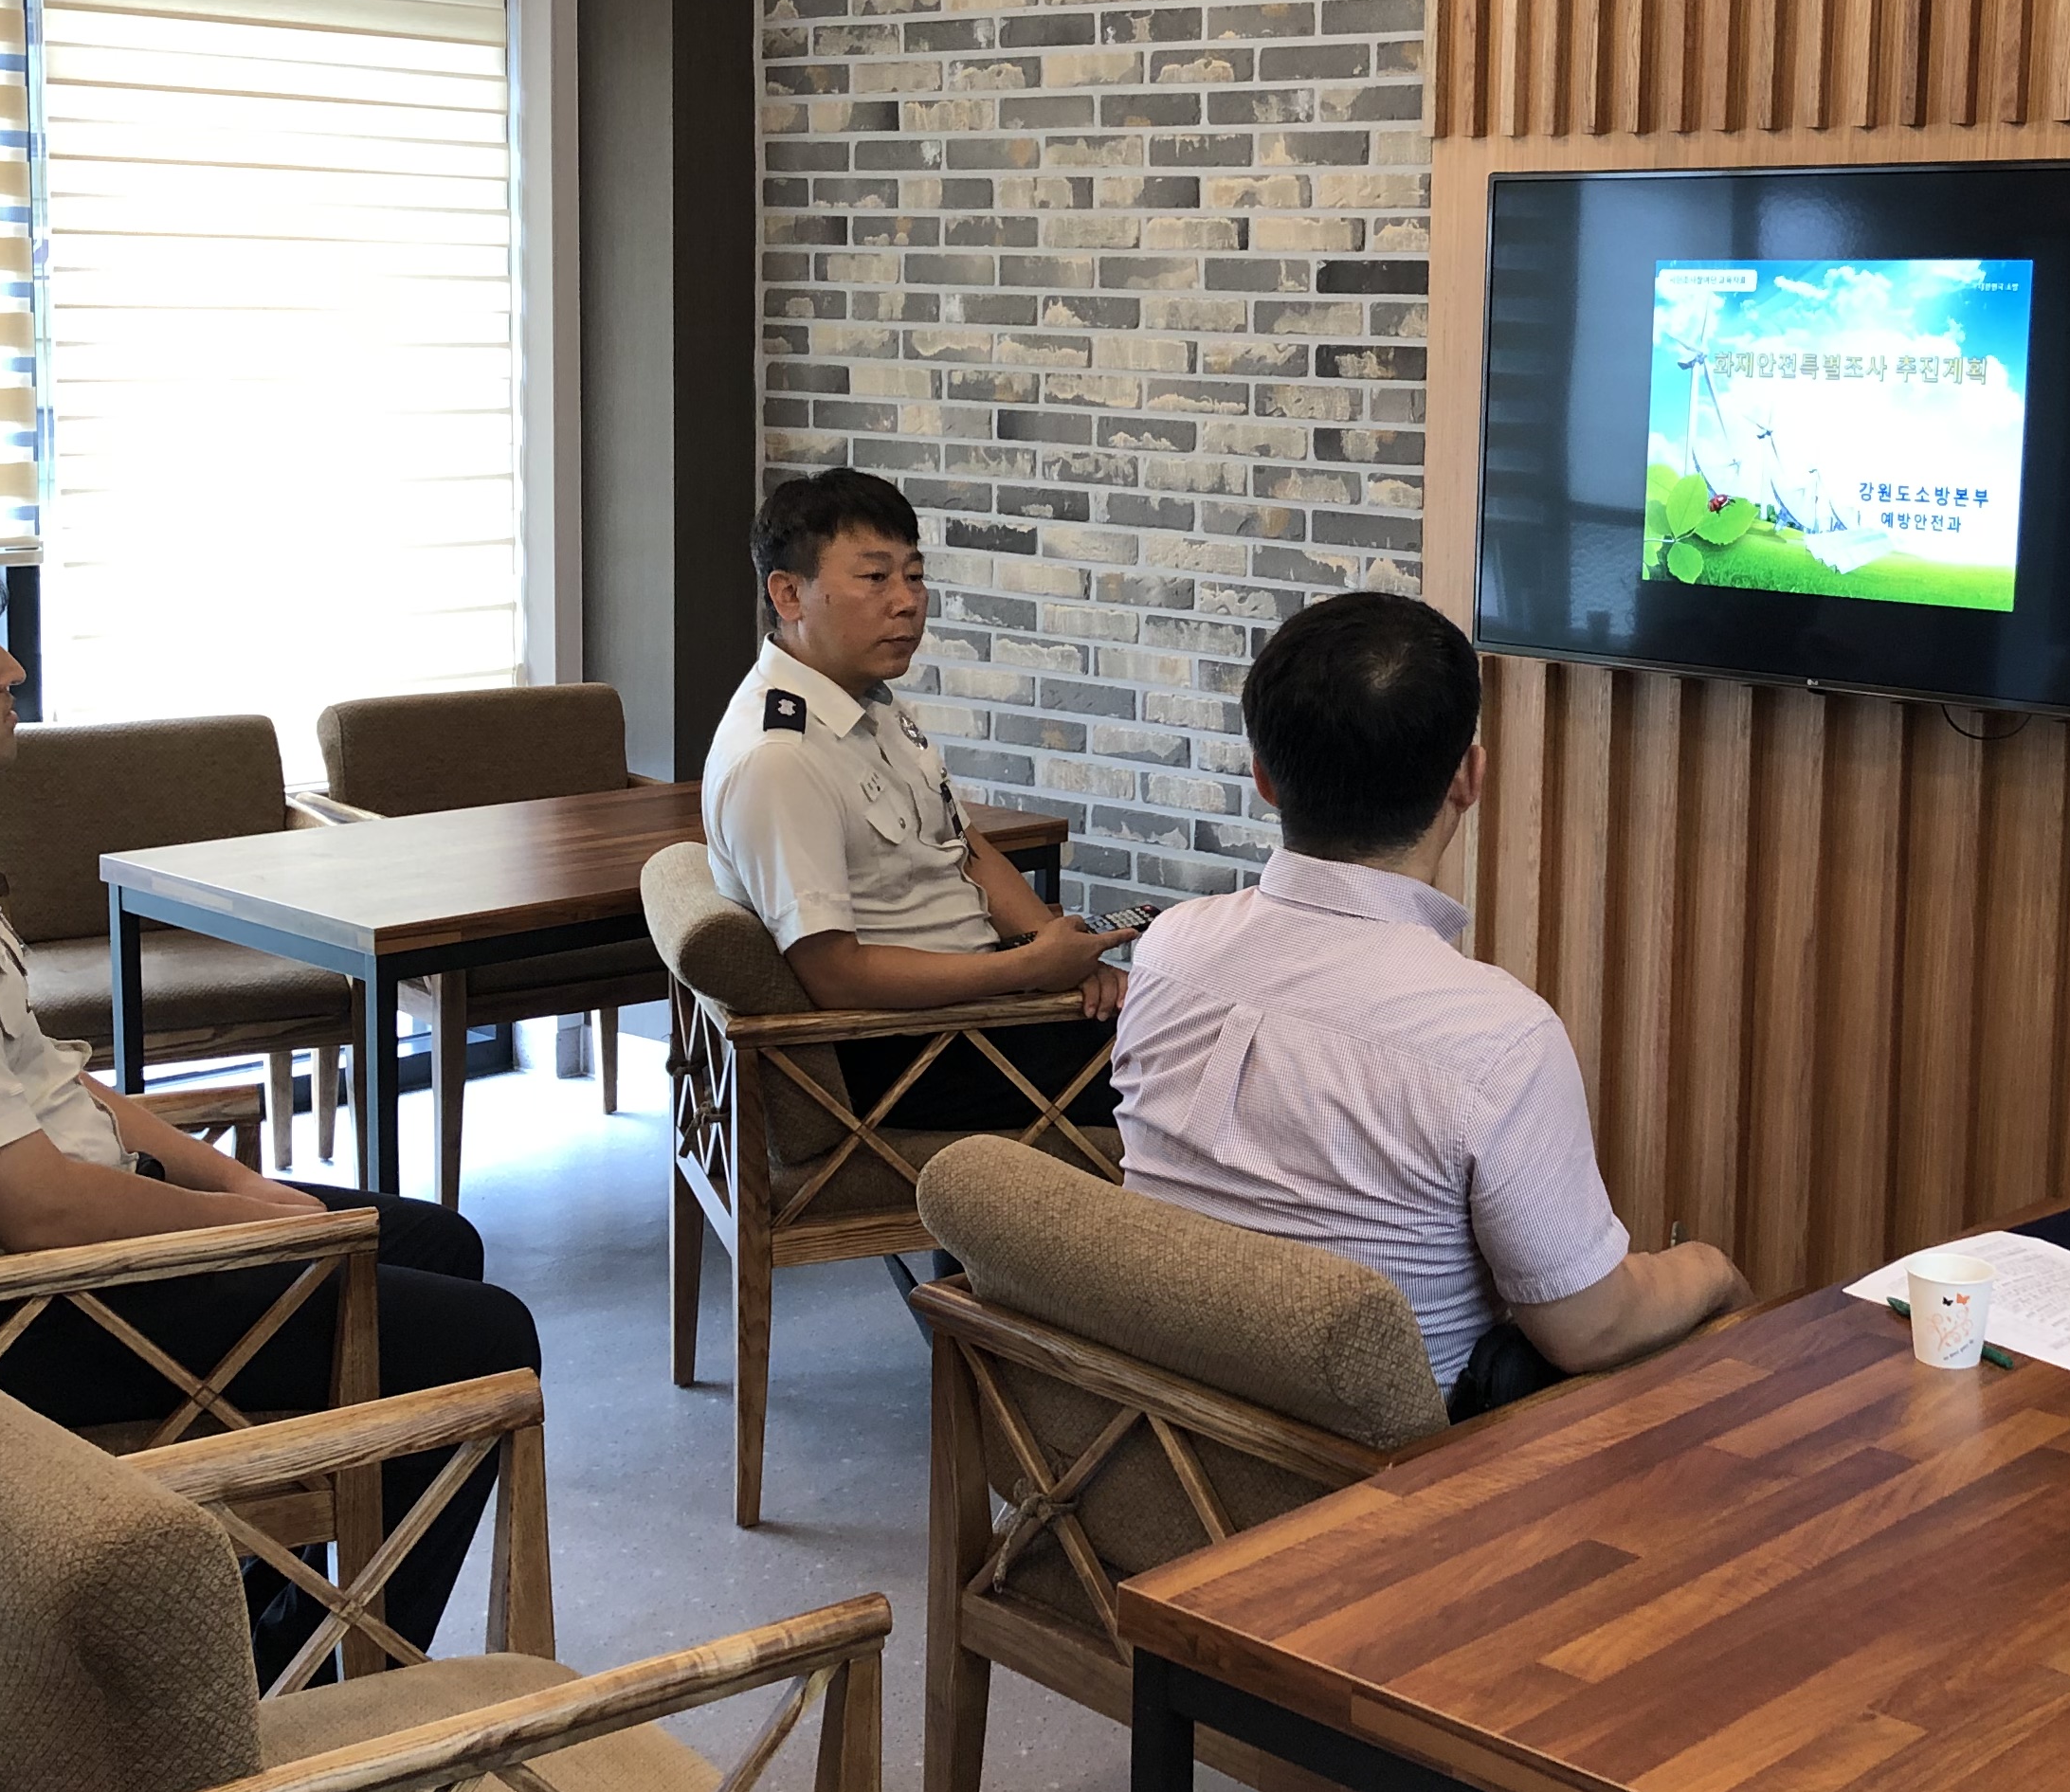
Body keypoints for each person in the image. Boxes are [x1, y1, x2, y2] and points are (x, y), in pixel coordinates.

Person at [0, 525, 538, 1665]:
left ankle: (268, 1623)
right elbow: (36, 1208)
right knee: (483, 1339)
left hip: (59, 1248)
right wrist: (250, 1227)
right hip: (3, 1315)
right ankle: (309, 1684)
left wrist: (239, 1184)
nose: (12, 669)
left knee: (438, 1243)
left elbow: (54, 1081)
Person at [1109, 588, 1749, 1416]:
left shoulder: (1168, 951)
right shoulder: (1496, 1039)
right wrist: (1709, 1269)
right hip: (1400, 1478)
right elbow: (1591, 1330)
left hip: (1156, 1434)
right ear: (1470, 778)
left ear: (1263, 776)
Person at [703, 469, 1123, 1131]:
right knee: (1198, 1066)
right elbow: (836, 976)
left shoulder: (870, 703)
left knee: (1195, 1018)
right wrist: (1028, 968)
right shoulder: (779, 758)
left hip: (984, 1006)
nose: (907, 602)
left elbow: (968, 850)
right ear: (788, 594)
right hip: (909, 1052)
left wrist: (1056, 951)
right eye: (875, 578)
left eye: (915, 575)